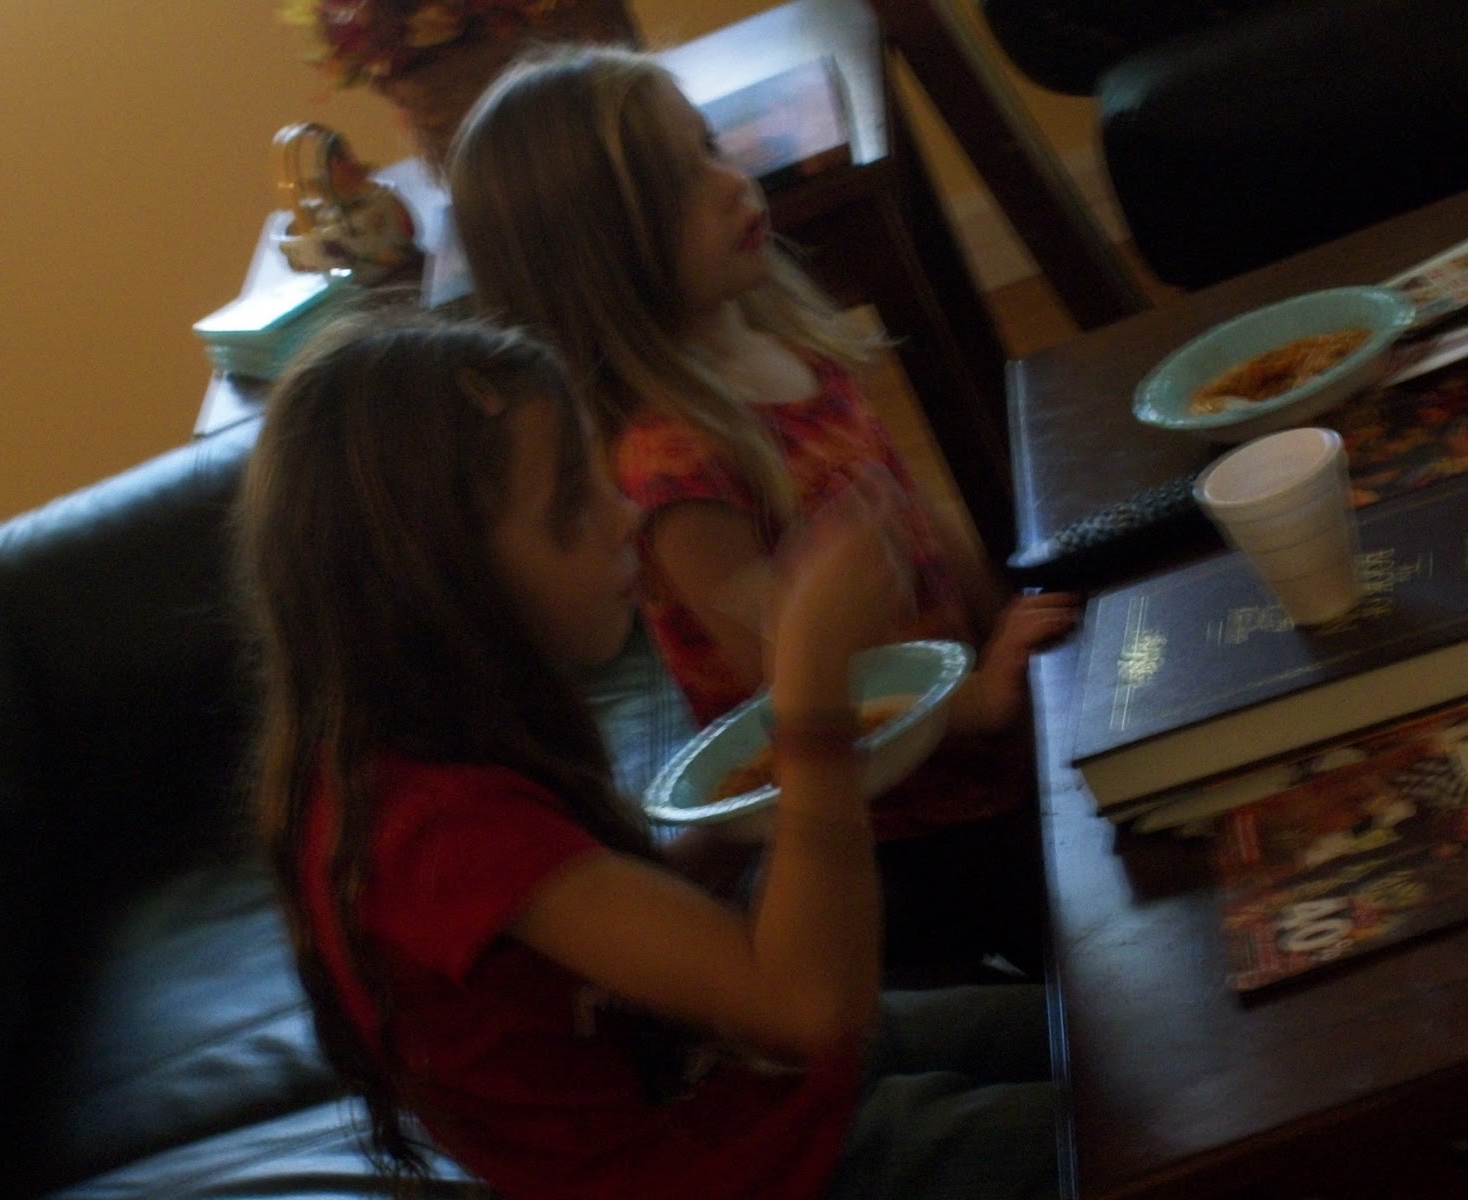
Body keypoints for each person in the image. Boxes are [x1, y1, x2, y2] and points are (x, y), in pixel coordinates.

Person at [234, 310, 1058, 1199]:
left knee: (1086, 1018)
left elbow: (586, 941)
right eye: (571, 508)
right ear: (439, 586)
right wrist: (812, 695)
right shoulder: (429, 831)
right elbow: (808, 1006)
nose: (626, 516)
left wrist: (723, 835)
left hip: (752, 1091)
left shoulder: (430, 746)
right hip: (756, 1174)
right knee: (1124, 1107)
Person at [446, 45, 1078, 971]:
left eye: (707, 146)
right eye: (676, 188)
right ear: (597, 260)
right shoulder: (672, 463)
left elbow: (914, 518)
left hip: (971, 737)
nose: (729, 182)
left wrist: (1001, 629)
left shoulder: (784, 338)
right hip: (896, 831)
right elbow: (792, 674)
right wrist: (976, 703)